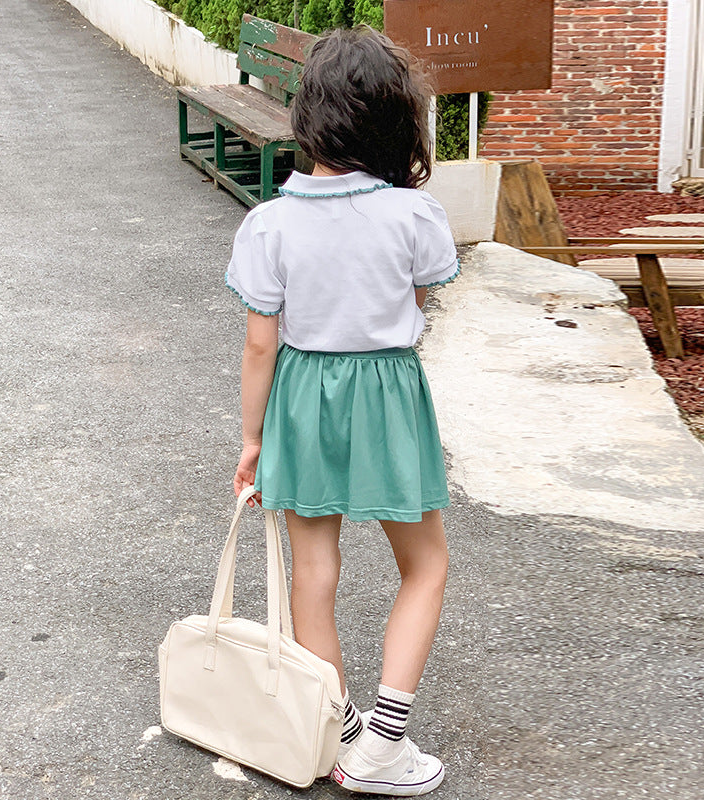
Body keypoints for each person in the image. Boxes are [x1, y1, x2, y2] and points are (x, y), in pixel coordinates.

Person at [227, 25, 458, 796]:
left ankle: (343, 731)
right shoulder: (412, 216)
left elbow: (262, 347)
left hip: (299, 398)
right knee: (424, 565)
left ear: (309, 116)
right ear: (396, 120)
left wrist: (253, 439)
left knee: (312, 572)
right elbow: (415, 302)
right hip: (387, 393)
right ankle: (384, 746)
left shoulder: (270, 223)